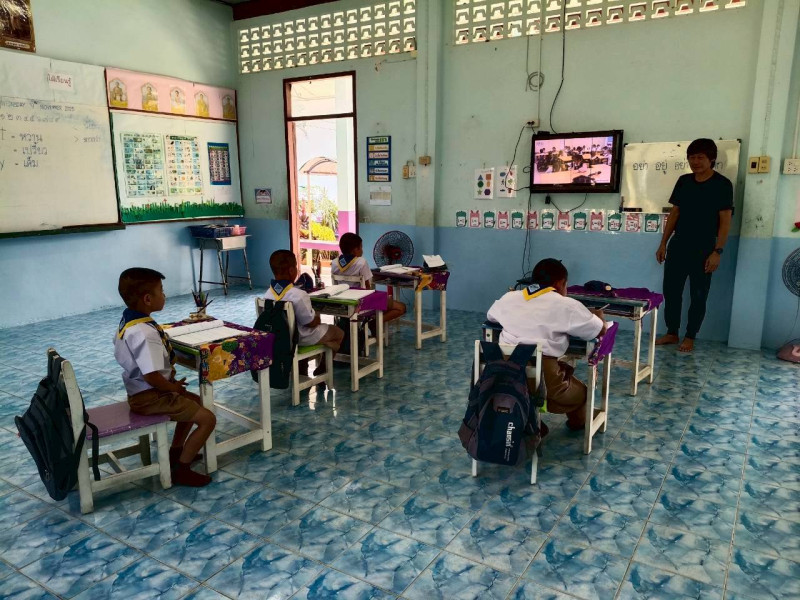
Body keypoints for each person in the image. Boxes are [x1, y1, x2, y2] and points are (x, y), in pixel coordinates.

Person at [114, 268, 216, 487]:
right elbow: (151, 375)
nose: (164, 295)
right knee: (208, 419)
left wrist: (171, 385)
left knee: (195, 402)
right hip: (150, 396)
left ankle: (176, 452)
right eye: (161, 290)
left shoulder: (130, 322)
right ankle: (182, 470)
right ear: (147, 299)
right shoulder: (145, 333)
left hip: (143, 392)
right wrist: (173, 388)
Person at [487, 258, 607, 431]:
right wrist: (598, 315)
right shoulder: (566, 305)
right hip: (545, 381)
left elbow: (491, 317)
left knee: (538, 383)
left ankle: (530, 423)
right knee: (583, 393)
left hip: (505, 379)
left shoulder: (509, 297)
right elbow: (599, 330)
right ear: (559, 283)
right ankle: (577, 424)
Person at [656, 138, 733, 353]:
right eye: (691, 157)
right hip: (679, 244)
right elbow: (675, 213)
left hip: (705, 247)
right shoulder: (684, 181)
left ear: (712, 159)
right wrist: (663, 243)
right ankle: (672, 332)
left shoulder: (722, 184)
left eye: (700, 157)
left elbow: (725, 221)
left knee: (699, 294)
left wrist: (717, 251)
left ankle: (690, 336)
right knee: (671, 291)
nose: (695, 162)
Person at [265, 250, 344, 373]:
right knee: (338, 333)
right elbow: (310, 323)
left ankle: (302, 366)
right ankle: (323, 368)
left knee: (328, 338)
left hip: (280, 338)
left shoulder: (267, 294)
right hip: (301, 338)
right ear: (292, 271)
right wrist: (316, 315)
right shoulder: (299, 295)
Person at [331, 232, 407, 323]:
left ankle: (373, 322)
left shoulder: (334, 263)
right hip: (361, 304)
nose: (362, 250)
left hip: (342, 302)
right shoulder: (361, 262)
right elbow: (368, 287)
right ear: (355, 249)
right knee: (401, 307)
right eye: (361, 247)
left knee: (385, 301)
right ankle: (374, 323)